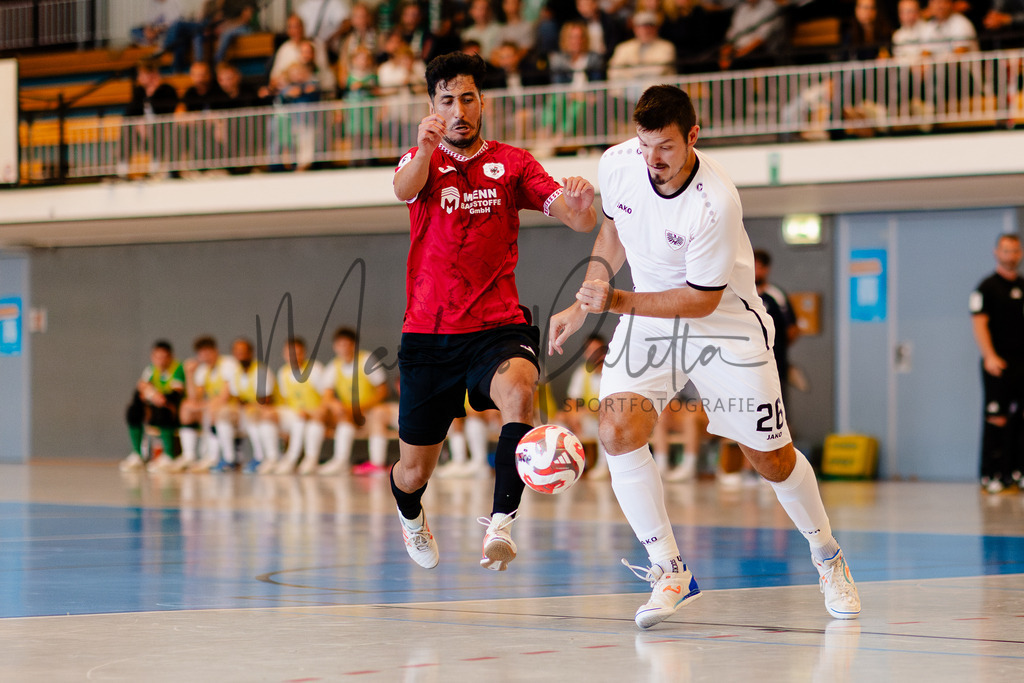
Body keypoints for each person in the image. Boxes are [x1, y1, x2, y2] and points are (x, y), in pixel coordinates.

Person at [549, 85, 860, 628]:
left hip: (724, 326)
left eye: (666, 147)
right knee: (618, 429)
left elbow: (700, 299)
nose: (653, 160)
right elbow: (613, 231)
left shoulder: (716, 200)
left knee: (771, 458)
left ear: (693, 136)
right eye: (646, 145)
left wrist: (614, 300)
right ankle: (668, 569)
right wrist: (587, 297)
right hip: (647, 320)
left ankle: (828, 555)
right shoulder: (618, 164)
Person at [390, 51, 596, 572]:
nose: (458, 110)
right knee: (413, 472)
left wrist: (579, 199)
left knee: (520, 388)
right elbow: (402, 189)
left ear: (482, 102)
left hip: (496, 324)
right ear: (432, 105)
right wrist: (423, 149)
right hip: (429, 333)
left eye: (468, 98)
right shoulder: (422, 161)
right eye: (447, 100)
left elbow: (577, 220)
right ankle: (412, 517)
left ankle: (501, 522)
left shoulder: (514, 163)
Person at [970, 233, 1024, 494]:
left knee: (1020, 418)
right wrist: (990, 355)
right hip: (997, 363)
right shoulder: (986, 287)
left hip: (1021, 363)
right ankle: (990, 474)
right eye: (1006, 251)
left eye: (1015, 251)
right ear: (996, 253)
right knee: (997, 418)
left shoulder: (1022, 286)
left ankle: (1015, 472)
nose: (1010, 256)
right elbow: (979, 323)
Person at [318, 327, 391, 475]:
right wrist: (335, 404)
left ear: (354, 345)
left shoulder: (366, 360)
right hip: (351, 414)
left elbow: (383, 391)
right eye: (340, 344)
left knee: (376, 416)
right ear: (335, 346)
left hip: (370, 411)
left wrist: (361, 407)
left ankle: (378, 463)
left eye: (347, 344)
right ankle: (341, 461)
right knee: (340, 418)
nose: (344, 348)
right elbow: (327, 395)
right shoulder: (334, 366)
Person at [121, 340, 185, 472]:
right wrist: (153, 395)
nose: (160, 360)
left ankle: (168, 456)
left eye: (163, 357)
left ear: (170, 357)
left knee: (163, 411)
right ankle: (137, 454)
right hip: (156, 405)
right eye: (157, 357)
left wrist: (153, 394)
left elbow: (174, 395)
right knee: (133, 411)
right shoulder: (151, 369)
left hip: (175, 408)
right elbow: (141, 389)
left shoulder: (178, 368)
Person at [179, 336, 240, 472]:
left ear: (215, 351)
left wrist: (204, 406)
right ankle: (189, 456)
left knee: (213, 409)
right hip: (214, 408)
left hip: (235, 408)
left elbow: (225, 396)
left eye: (208, 352)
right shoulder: (203, 370)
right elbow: (194, 397)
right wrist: (189, 374)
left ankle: (215, 457)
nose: (205, 357)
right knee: (186, 407)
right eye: (201, 354)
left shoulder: (228, 364)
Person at [559, 333, 610, 478]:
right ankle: (567, 464)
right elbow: (571, 402)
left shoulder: (612, 373)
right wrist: (573, 416)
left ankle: (602, 465)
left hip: (606, 419)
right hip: (587, 420)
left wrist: (586, 411)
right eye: (590, 350)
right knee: (561, 419)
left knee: (602, 422)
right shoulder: (582, 373)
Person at [754, 249, 798, 402]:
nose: (754, 271)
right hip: (749, 358)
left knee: (777, 401)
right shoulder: (741, 295)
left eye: (758, 267)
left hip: (775, 359)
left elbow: (792, 329)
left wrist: (779, 348)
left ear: (766, 269)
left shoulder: (776, 295)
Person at [606, 11, 676, 82]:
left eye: (649, 26)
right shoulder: (623, 48)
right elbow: (613, 71)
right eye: (640, 27)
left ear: (656, 28)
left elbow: (658, 71)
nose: (645, 30)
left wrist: (630, 74)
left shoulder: (666, 47)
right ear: (635, 29)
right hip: (627, 91)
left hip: (658, 91)